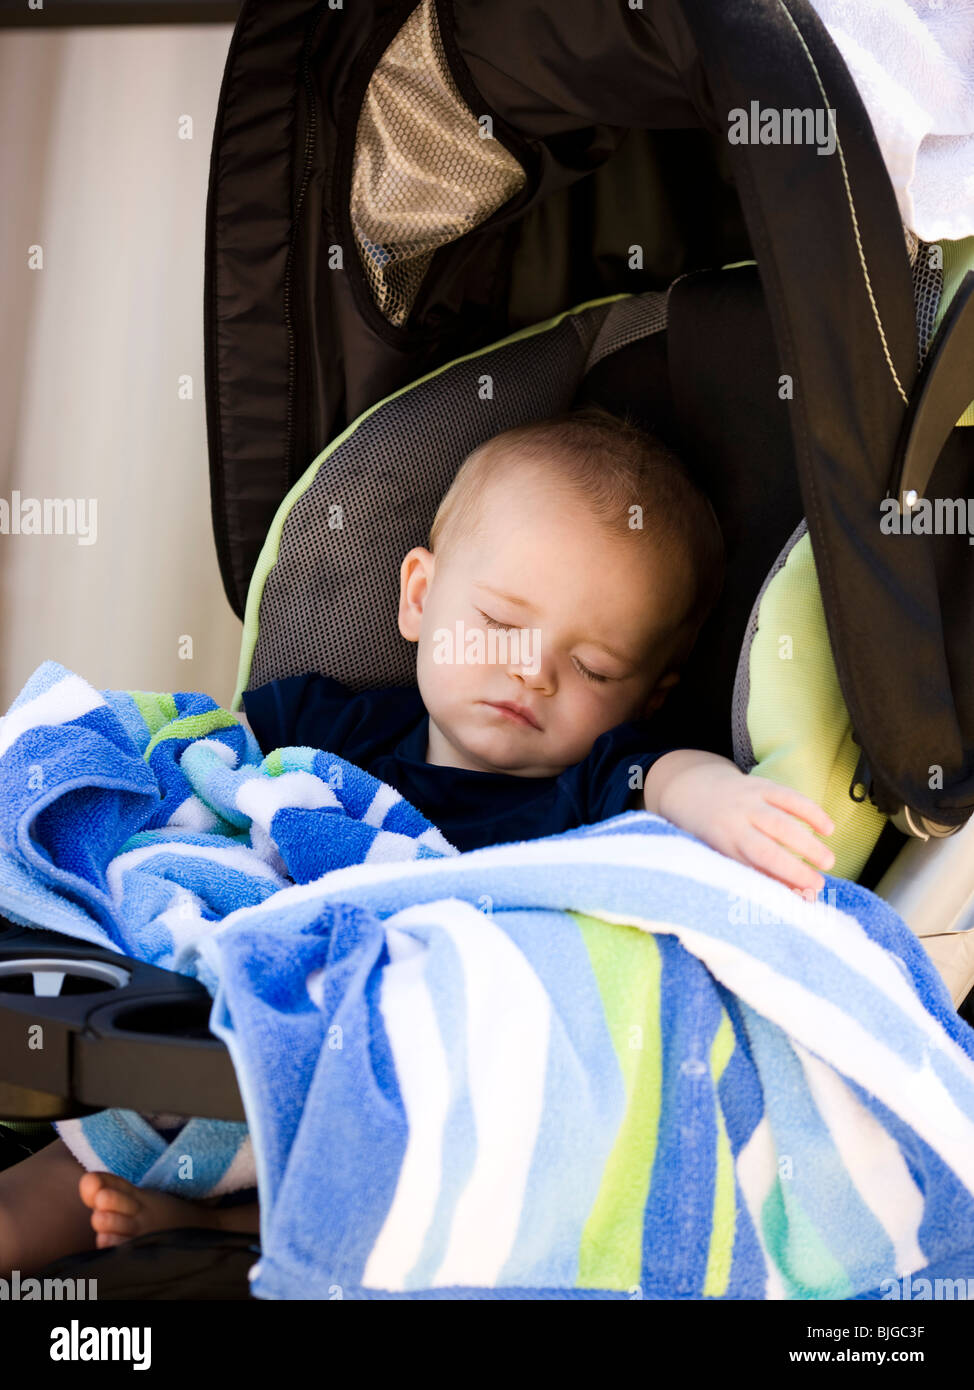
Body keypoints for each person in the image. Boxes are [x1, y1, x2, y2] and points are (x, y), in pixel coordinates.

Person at [0, 406, 834, 1272]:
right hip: (225, 1026)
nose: (533, 670)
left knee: (427, 1189)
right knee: (70, 1169)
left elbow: (668, 782)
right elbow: (197, 769)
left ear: (646, 698)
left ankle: (228, 1229)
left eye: (593, 669)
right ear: (420, 597)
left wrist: (728, 800)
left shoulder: (589, 789)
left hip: (404, 1088)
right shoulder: (328, 729)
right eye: (503, 623)